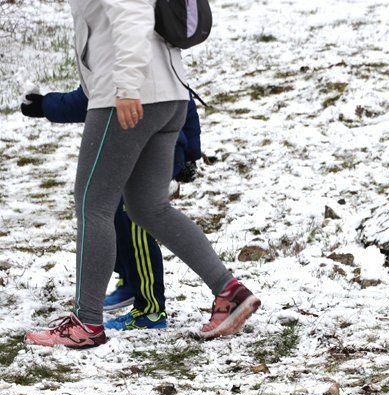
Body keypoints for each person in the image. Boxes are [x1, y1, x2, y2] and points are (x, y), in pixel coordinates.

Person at [25, 0, 259, 348]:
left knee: (93, 205)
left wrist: (127, 87)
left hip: (129, 97)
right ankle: (229, 292)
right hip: (169, 96)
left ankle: (86, 322)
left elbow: (132, 13)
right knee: (149, 207)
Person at [21, 85, 203, 330]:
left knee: (136, 218)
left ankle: (150, 310)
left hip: (157, 146)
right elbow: (95, 96)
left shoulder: (129, 53)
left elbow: (182, 97)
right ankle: (130, 278)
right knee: (111, 212)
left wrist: (190, 153)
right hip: (132, 144)